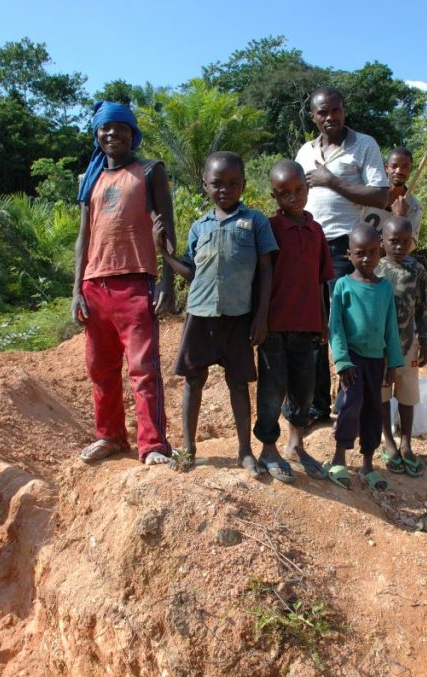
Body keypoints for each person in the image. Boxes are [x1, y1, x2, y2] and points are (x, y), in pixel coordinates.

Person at [157, 152, 281, 479]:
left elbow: (266, 271)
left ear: (243, 185)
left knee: (238, 384)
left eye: (232, 183)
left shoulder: (255, 222)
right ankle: (188, 448)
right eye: (217, 183)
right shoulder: (200, 227)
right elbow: (192, 272)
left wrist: (261, 316)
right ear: (205, 185)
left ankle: (245, 452)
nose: (225, 189)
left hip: (239, 316)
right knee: (193, 382)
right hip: (200, 315)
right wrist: (166, 255)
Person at [71, 101, 176, 466]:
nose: (112, 134)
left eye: (121, 128)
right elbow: (83, 237)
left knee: (144, 369)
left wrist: (169, 284)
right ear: (97, 134)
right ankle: (110, 436)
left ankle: (153, 444)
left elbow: (168, 229)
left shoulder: (150, 171)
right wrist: (76, 292)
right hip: (94, 285)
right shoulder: (90, 178)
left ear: (133, 133)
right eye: (105, 128)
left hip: (136, 282)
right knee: (100, 369)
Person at [296, 86, 390, 424]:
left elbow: (381, 196)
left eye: (335, 110)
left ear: (344, 110)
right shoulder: (304, 151)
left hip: (343, 247)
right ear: (313, 116)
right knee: (315, 326)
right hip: (308, 247)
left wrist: (331, 181)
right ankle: (319, 404)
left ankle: (350, 398)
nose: (330, 117)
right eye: (322, 112)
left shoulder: (364, 145)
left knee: (346, 324)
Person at [254, 160, 335, 480]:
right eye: (284, 193)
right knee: (272, 388)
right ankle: (268, 447)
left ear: (307, 188)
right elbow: (261, 275)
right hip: (274, 325)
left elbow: (319, 281)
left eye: (299, 190)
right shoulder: (269, 229)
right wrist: (259, 318)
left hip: (307, 324)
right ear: (274, 196)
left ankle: (296, 444)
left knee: (304, 388)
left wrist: (323, 321)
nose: (293, 197)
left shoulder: (316, 232)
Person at [326, 225, 404, 491]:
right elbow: (335, 327)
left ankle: (368, 464)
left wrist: (393, 361)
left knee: (374, 410)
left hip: (376, 361)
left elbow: (390, 328)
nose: (368, 259)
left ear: (380, 251)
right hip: (353, 360)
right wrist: (342, 361)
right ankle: (339, 458)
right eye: (361, 253)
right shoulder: (342, 287)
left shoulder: (384, 289)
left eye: (373, 252)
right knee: (351, 405)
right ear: (349, 254)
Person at [375, 217, 427, 477]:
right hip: (380, 347)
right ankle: (388, 439)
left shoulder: (417, 270)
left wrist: (425, 341)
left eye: (404, 242)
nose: (399, 247)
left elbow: (422, 309)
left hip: (407, 344)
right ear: (382, 241)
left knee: (407, 395)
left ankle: (407, 442)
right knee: (383, 395)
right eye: (393, 241)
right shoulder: (374, 268)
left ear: (412, 242)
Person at [363, 147, 424, 244]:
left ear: (410, 170)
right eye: (394, 166)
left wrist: (401, 220)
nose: (399, 171)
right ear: (386, 168)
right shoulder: (368, 193)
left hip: (388, 258)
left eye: (405, 167)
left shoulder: (414, 207)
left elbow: (409, 244)